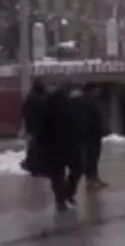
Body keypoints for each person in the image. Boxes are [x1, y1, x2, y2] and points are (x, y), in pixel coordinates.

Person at [37, 83, 83, 212]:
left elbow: (41, 128)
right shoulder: (67, 106)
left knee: (57, 175)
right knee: (76, 168)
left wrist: (42, 143)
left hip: (54, 146)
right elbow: (75, 124)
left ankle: (61, 199)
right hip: (68, 144)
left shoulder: (47, 106)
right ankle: (66, 194)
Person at [76, 82, 108, 190]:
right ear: (91, 90)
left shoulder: (86, 100)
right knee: (91, 158)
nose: (98, 92)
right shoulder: (87, 101)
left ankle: (94, 179)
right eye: (96, 89)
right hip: (90, 133)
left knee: (92, 157)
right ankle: (91, 181)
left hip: (90, 133)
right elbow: (90, 118)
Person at [20, 78, 50, 177]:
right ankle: (39, 167)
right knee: (41, 149)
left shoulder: (31, 97)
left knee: (34, 148)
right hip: (43, 127)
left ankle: (34, 167)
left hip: (34, 128)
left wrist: (28, 127)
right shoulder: (44, 97)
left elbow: (26, 113)